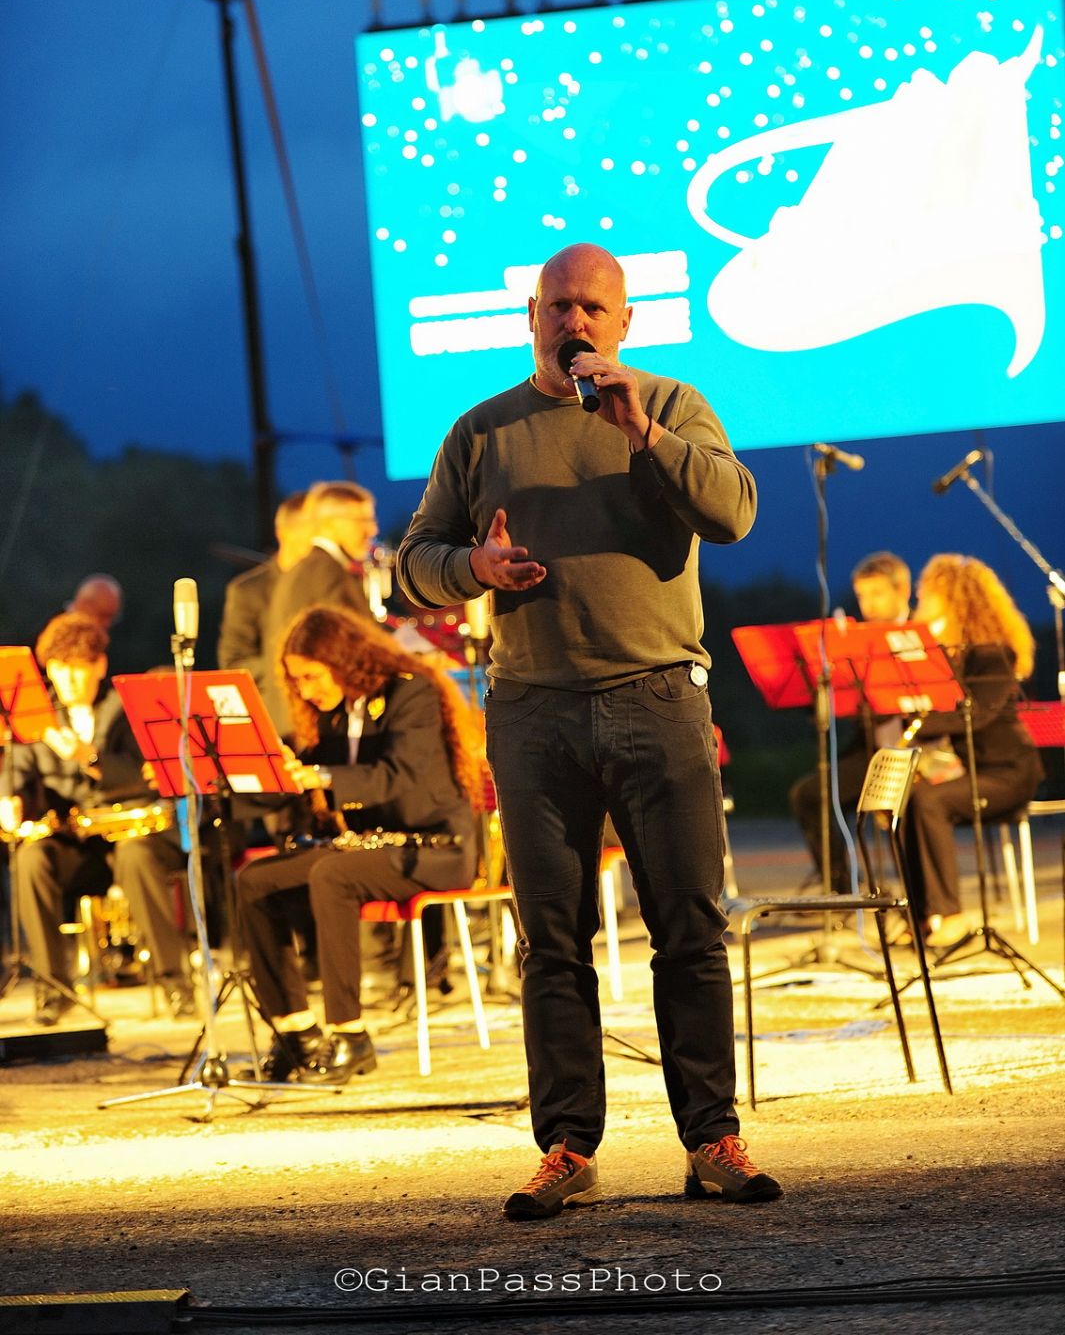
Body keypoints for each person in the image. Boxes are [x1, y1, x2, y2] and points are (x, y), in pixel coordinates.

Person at [396, 240, 781, 1219]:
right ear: (530, 317)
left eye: (591, 308)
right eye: (557, 306)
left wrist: (642, 431)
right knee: (552, 942)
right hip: (534, 711)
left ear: (623, 322)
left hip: (658, 697)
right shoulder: (480, 431)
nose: (573, 322)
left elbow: (734, 512)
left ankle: (711, 1137)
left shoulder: (673, 405)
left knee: (688, 929)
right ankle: (568, 1145)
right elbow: (415, 561)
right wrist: (472, 570)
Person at [235, 605, 479, 1083]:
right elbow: (303, 780)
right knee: (255, 880)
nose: (305, 690)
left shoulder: (413, 692)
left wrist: (320, 776)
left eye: (310, 676)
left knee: (333, 874)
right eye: (297, 681)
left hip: (435, 848)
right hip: (369, 848)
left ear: (342, 659)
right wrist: (255, 768)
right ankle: (295, 1033)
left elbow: (398, 775)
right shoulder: (331, 714)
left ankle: (350, 1035)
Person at [1, 613, 194, 1024]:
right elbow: (18, 770)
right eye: (59, 669)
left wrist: (87, 757)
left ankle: (175, 981)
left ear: (100, 665)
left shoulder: (126, 705)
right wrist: (9, 797)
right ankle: (54, 987)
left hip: (131, 835)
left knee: (137, 856)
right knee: (31, 860)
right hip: (76, 844)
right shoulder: (37, 714)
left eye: (78, 669)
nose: (68, 680)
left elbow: (148, 774)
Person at [904, 553, 1043, 945]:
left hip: (1010, 773)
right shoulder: (951, 655)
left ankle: (951, 913)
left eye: (927, 594)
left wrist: (917, 722)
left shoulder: (993, 654)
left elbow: (975, 716)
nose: (919, 600)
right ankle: (921, 916)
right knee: (908, 798)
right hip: (975, 772)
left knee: (929, 801)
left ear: (955, 598)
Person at [788, 551, 912, 891]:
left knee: (913, 806)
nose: (868, 604)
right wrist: (825, 681)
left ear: (902, 591)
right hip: (870, 751)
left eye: (877, 593)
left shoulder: (921, 634)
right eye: (862, 595)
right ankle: (843, 888)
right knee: (809, 794)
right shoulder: (856, 644)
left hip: (913, 751)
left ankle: (919, 898)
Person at [261, 482, 379, 733]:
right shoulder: (328, 572)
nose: (372, 529)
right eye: (362, 520)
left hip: (296, 720)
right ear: (332, 523)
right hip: (316, 724)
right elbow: (358, 647)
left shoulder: (304, 569)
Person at [217, 490, 313, 693]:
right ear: (285, 532)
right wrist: (292, 665)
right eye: (314, 529)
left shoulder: (333, 583)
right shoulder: (248, 590)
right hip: (278, 704)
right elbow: (234, 662)